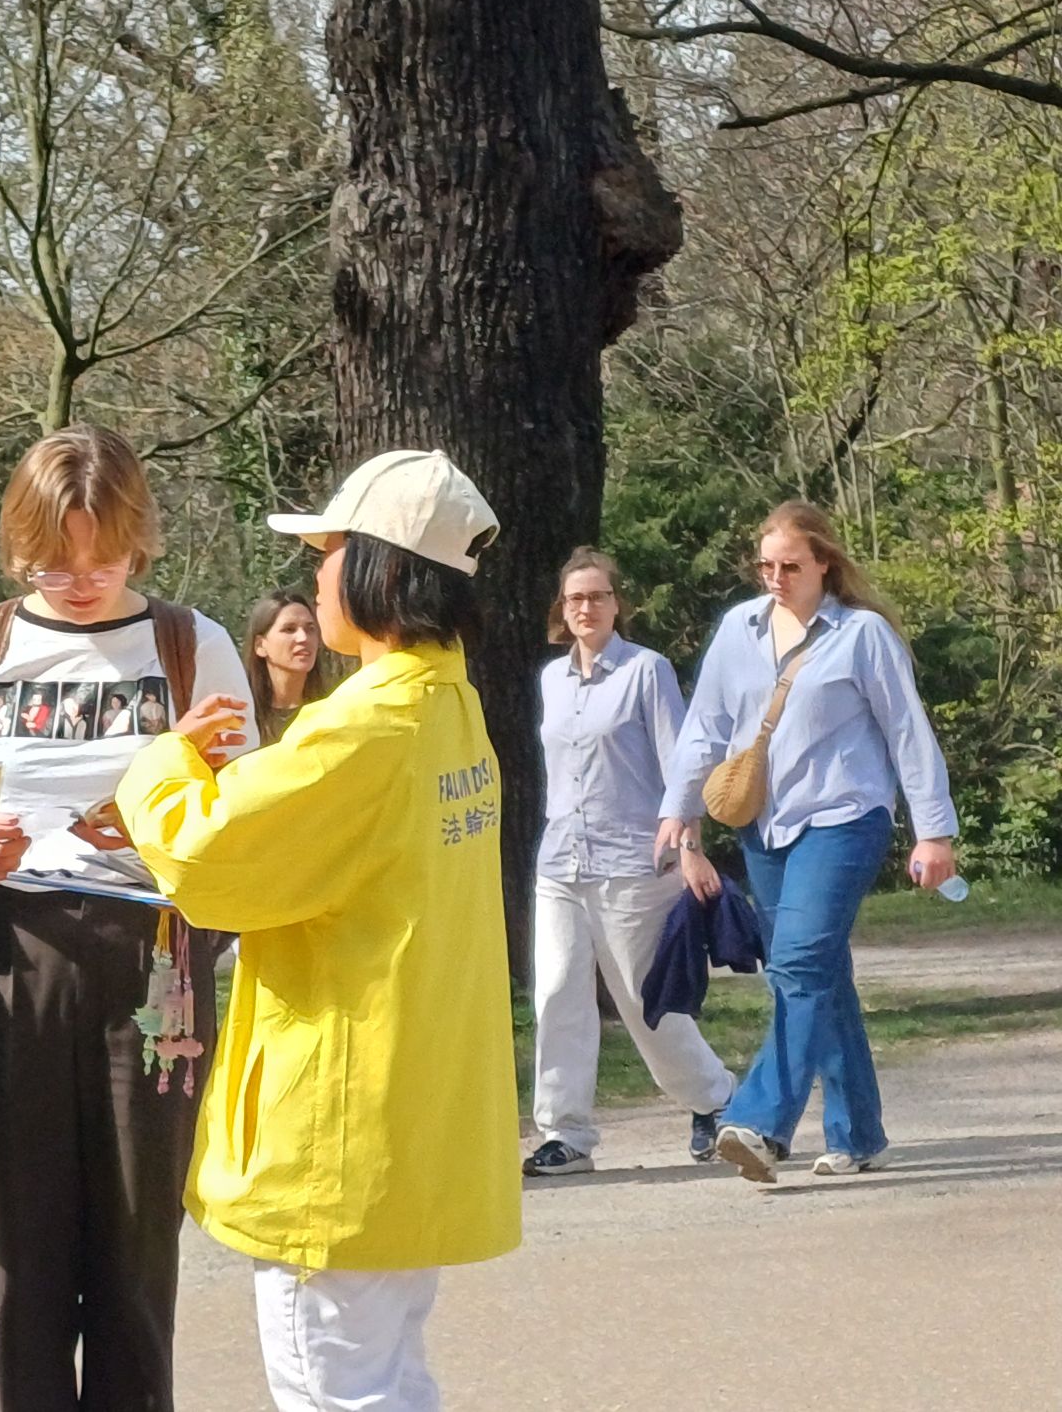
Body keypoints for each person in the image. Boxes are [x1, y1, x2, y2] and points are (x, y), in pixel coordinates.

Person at [116, 449, 521, 1412]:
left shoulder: (367, 726)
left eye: (330, 550)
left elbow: (208, 854)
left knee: (336, 1389)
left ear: (382, 565)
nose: (318, 574)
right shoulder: (450, 705)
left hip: (341, 1133)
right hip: (408, 1122)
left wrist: (165, 760)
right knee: (389, 1380)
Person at [0, 424, 253, 1412]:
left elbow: (238, 823)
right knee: (23, 1261)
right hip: (12, 950)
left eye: (102, 558)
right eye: (53, 560)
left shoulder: (192, 645)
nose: (80, 581)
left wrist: (173, 767)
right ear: (18, 544)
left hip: (155, 957)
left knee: (137, 1255)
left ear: (139, 540)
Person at [659, 500, 959, 1183]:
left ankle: (760, 1122)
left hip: (845, 818)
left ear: (825, 563)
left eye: (791, 566)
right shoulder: (738, 629)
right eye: (765, 565)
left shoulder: (862, 635)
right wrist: (680, 809)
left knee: (797, 964)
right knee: (819, 974)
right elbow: (704, 726)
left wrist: (934, 832)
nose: (776, 578)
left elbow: (908, 733)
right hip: (765, 827)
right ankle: (859, 1134)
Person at [524, 548, 736, 1177]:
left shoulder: (647, 670)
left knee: (645, 1002)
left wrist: (690, 848)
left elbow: (682, 763)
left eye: (598, 596)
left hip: (633, 864)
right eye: (575, 598)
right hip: (561, 863)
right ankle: (565, 1133)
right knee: (556, 996)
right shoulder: (551, 680)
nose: (586, 607)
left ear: (618, 604)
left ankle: (715, 1099)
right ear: (562, 608)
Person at [242, 589, 337, 745]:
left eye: (310, 629)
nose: (303, 638)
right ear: (260, 645)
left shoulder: (332, 715)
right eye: (289, 629)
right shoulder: (242, 718)